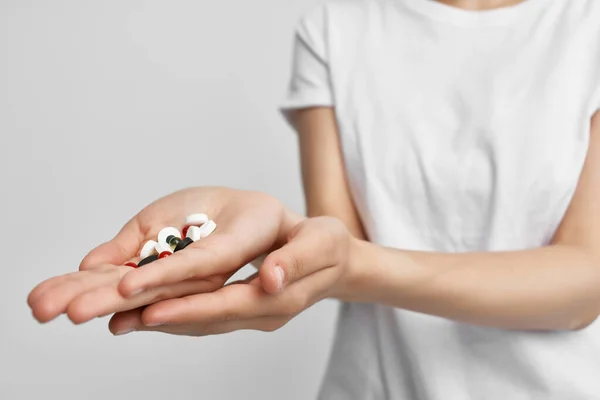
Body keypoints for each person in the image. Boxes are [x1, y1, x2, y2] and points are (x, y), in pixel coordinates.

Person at [28, 0, 600, 398]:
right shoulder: (334, 31)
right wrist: (280, 236)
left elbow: (583, 285)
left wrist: (336, 257)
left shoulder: (588, 26)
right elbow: (337, 251)